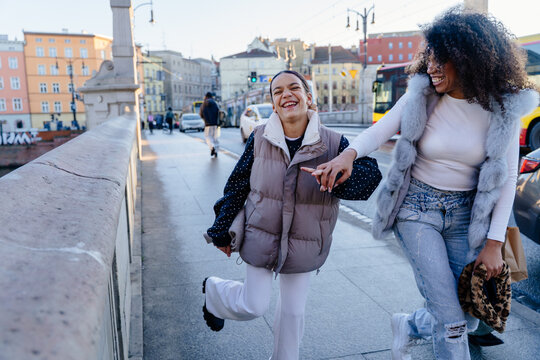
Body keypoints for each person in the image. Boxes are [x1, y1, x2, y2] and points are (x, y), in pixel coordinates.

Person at [308, 8, 538, 360]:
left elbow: (505, 182)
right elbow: (379, 130)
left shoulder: (501, 109)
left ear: (468, 60)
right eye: (428, 56)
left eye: (440, 58)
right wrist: (347, 155)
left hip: (466, 216)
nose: (430, 66)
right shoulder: (421, 95)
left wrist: (494, 245)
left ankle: (412, 324)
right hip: (416, 210)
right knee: (451, 319)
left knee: (468, 314)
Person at [202, 70, 382, 360]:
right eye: (278, 91)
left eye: (294, 88)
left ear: (308, 98)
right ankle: (214, 293)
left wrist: (337, 176)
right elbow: (236, 185)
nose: (286, 94)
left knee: (293, 313)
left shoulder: (334, 143)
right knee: (254, 306)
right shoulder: (259, 138)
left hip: (304, 241)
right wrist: (221, 228)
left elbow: (369, 176)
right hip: (261, 236)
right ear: (273, 104)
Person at [200, 92, 220, 157]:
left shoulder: (203, 104)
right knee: (215, 138)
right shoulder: (214, 103)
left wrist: (205, 119)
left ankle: (212, 147)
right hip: (215, 124)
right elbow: (218, 112)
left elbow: (201, 114)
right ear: (211, 96)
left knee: (208, 137)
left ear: (206, 96)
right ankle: (216, 151)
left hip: (207, 124)